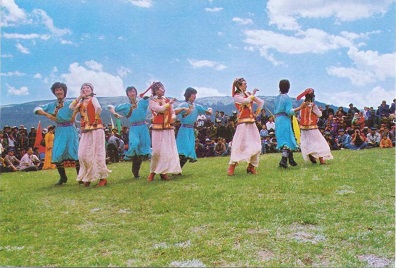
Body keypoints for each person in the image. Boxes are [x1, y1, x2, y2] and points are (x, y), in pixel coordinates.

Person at [34, 82, 80, 185]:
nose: (59, 92)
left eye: (60, 90)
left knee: (75, 152)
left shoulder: (70, 103)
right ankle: (63, 177)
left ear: (64, 91)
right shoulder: (51, 105)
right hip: (60, 129)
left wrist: (75, 113)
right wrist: (46, 114)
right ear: (54, 92)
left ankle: (80, 177)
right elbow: (36, 109)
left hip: (71, 129)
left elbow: (81, 106)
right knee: (57, 153)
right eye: (56, 90)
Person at [69, 83, 109, 187]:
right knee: (83, 154)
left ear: (92, 90)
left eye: (87, 88)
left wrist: (95, 118)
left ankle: (102, 178)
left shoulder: (93, 99)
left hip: (96, 129)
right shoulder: (81, 102)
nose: (85, 89)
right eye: (83, 88)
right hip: (85, 130)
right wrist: (80, 97)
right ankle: (88, 177)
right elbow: (71, 107)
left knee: (97, 153)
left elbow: (98, 108)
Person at [107, 86, 151, 178]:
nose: (132, 93)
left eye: (133, 91)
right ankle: (130, 157)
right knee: (135, 144)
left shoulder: (142, 102)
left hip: (143, 127)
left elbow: (150, 98)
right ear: (127, 94)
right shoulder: (126, 106)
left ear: (136, 93)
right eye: (130, 92)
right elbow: (110, 106)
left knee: (142, 150)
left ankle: (137, 172)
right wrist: (114, 112)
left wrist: (150, 91)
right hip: (134, 128)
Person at [227, 78, 264, 176]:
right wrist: (253, 94)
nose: (246, 85)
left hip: (251, 123)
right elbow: (246, 101)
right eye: (244, 84)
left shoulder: (248, 94)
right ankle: (232, 166)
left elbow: (261, 102)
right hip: (242, 124)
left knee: (256, 144)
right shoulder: (237, 96)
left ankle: (251, 166)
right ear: (239, 86)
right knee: (238, 145)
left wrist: (257, 113)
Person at [146, 82, 181, 181]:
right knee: (156, 151)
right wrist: (169, 104)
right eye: (161, 88)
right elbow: (159, 109)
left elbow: (172, 112)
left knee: (166, 151)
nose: (163, 90)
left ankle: (163, 172)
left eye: (163, 88)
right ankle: (152, 171)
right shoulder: (152, 101)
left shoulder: (166, 100)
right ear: (156, 90)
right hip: (157, 128)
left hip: (167, 127)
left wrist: (173, 117)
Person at [174, 87, 212, 170]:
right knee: (183, 151)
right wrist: (184, 110)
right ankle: (176, 168)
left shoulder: (196, 106)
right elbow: (174, 111)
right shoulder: (183, 105)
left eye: (195, 94)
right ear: (188, 95)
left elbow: (207, 112)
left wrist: (209, 110)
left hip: (191, 130)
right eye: (193, 94)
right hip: (184, 129)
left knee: (189, 150)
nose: (194, 96)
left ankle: (178, 169)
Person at [274, 79, 307, 168]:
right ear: (288, 87)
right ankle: (284, 160)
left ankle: (291, 159)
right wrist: (300, 107)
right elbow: (289, 111)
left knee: (285, 137)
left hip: (277, 120)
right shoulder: (287, 98)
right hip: (285, 119)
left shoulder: (276, 98)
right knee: (287, 139)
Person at [296, 88, 333, 164]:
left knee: (307, 142)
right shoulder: (313, 105)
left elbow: (300, 116)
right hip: (312, 127)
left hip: (303, 128)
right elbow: (320, 114)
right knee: (319, 142)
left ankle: (311, 155)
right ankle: (321, 159)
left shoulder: (302, 105)